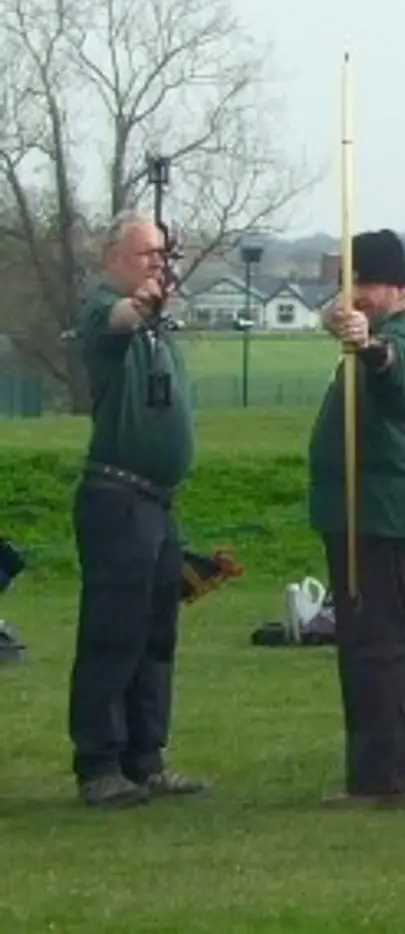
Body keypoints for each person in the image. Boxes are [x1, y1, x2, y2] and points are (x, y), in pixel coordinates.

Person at [307, 229, 405, 807]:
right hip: (358, 511)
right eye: (351, 283)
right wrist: (342, 322)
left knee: (378, 644)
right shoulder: (373, 328)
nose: (359, 294)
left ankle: (384, 777)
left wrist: (367, 344)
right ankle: (393, 766)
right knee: (373, 640)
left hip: (383, 512)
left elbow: (394, 370)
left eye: (368, 284)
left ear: (400, 289)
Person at [66, 213, 207, 808]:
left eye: (161, 254)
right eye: (146, 253)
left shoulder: (157, 325)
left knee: (156, 634)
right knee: (113, 633)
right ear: (115, 259)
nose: (156, 262)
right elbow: (119, 321)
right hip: (117, 497)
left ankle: (145, 757)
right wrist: (142, 306)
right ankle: (99, 762)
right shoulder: (105, 310)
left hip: (156, 501)